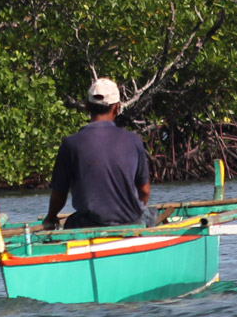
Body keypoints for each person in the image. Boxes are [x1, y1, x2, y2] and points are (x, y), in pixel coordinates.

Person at [41, 78, 153, 229]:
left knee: (70, 222)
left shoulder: (70, 143)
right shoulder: (134, 140)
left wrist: (51, 217)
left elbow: (59, 193)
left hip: (88, 223)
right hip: (130, 221)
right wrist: (133, 212)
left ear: (87, 106)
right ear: (117, 107)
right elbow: (144, 191)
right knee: (150, 214)